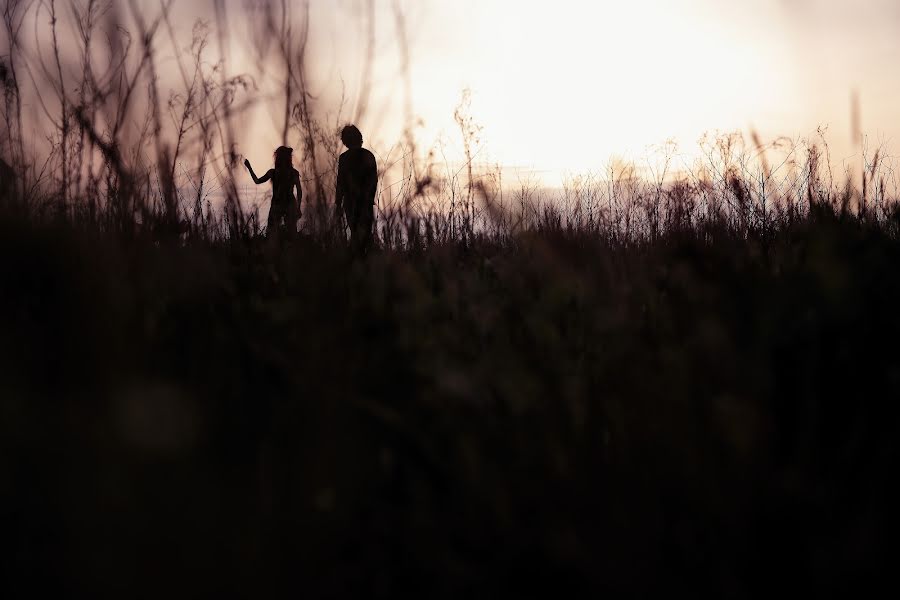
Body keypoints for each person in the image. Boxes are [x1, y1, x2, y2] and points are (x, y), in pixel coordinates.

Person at [335, 125, 377, 254]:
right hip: (365, 202)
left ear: (345, 140)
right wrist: (369, 198)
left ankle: (357, 262)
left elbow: (340, 182)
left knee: (355, 232)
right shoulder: (368, 155)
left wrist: (338, 204)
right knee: (365, 233)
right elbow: (373, 180)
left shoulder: (344, 158)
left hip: (350, 201)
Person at [244, 146, 302, 236]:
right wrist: (298, 207)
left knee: (273, 234)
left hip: (278, 205)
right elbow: (299, 191)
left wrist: (249, 168)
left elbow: (257, 181)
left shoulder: (274, 173)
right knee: (290, 233)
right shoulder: (293, 173)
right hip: (287, 204)